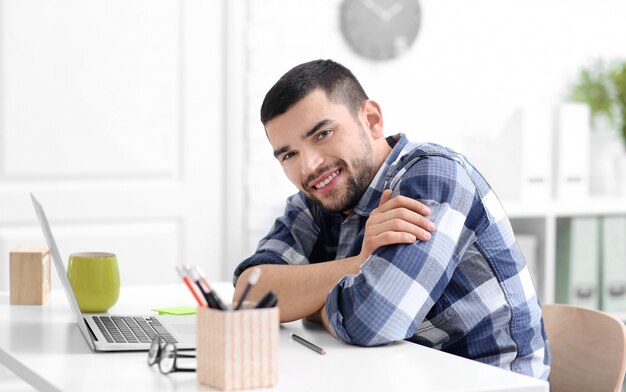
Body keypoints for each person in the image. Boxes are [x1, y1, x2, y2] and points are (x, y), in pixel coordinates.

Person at [233, 59, 550, 380]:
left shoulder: (435, 176)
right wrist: (359, 263)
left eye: (323, 134)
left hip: (490, 383)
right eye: (289, 155)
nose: (310, 166)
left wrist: (308, 305)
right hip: (396, 377)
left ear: (371, 120)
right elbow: (249, 294)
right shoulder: (314, 200)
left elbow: (371, 321)